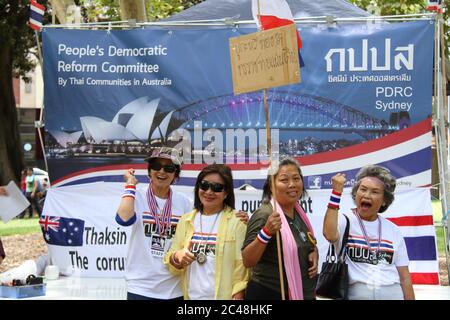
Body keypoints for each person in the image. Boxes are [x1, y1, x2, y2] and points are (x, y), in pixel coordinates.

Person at [322, 165, 415, 300]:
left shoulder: (393, 230)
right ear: (356, 193)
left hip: (392, 293)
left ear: (384, 201)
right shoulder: (345, 221)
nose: (366, 195)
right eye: (363, 189)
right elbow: (329, 234)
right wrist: (336, 193)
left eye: (375, 192)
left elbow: (405, 277)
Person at [115, 147, 193, 300]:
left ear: (175, 174)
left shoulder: (184, 203)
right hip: (140, 286)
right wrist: (130, 185)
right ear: (150, 171)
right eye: (156, 166)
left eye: (169, 168)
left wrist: (238, 216)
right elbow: (123, 219)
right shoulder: (137, 195)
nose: (162, 172)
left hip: (174, 287)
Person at [164, 164, 249, 300]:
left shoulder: (237, 221)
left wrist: (238, 293)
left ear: (226, 193)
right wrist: (177, 257)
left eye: (216, 187)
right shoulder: (186, 220)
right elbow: (171, 260)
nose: (209, 192)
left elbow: (241, 265)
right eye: (204, 185)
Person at [241, 157, 318, 300]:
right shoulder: (265, 214)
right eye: (284, 180)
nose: (292, 184)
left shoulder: (299, 213)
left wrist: (314, 252)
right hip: (269, 293)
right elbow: (247, 260)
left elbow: (307, 242)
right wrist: (266, 232)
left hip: (302, 293)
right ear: (271, 185)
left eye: (296, 178)